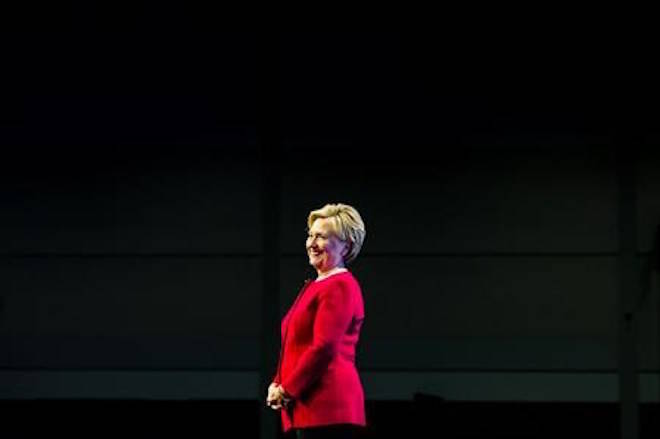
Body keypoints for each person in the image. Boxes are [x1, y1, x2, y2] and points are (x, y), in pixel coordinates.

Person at [267, 203, 367, 439]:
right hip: (309, 405)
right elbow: (295, 345)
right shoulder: (316, 286)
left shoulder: (339, 285)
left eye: (321, 237)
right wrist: (277, 382)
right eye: (310, 235)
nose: (312, 243)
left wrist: (287, 389)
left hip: (328, 405)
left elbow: (324, 347)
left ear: (346, 247)